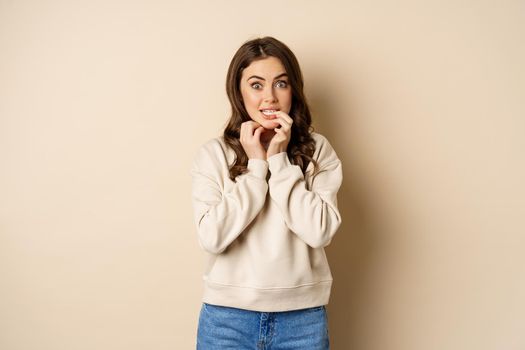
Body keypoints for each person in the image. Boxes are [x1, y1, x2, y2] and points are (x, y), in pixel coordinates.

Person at [190, 36, 343, 349]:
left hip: (302, 320)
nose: (270, 98)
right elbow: (212, 237)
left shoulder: (318, 150)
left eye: (281, 84)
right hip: (226, 320)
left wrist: (279, 160)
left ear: (293, 90)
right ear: (239, 91)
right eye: (256, 85)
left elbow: (319, 231)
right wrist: (257, 169)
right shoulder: (214, 155)